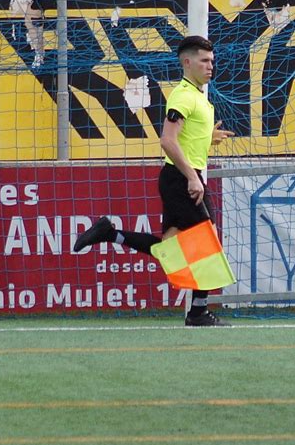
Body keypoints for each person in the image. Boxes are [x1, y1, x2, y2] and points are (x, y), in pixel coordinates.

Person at [74, 35, 235, 326]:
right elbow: (167, 141)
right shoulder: (183, 95)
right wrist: (192, 179)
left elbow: (183, 139)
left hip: (181, 177)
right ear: (187, 62)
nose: (210, 66)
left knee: (170, 248)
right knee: (206, 245)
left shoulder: (198, 96)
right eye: (204, 60)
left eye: (212, 60)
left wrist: (207, 138)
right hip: (181, 178)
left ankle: (109, 233)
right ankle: (198, 312)